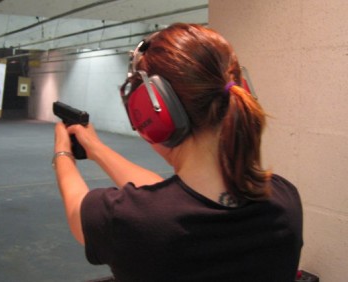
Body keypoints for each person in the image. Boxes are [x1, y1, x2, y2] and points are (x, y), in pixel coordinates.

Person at [53, 23, 303, 282]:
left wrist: (63, 153)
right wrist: (95, 149)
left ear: (155, 110)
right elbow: (171, 198)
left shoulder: (128, 220)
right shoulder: (284, 199)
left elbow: (76, 210)